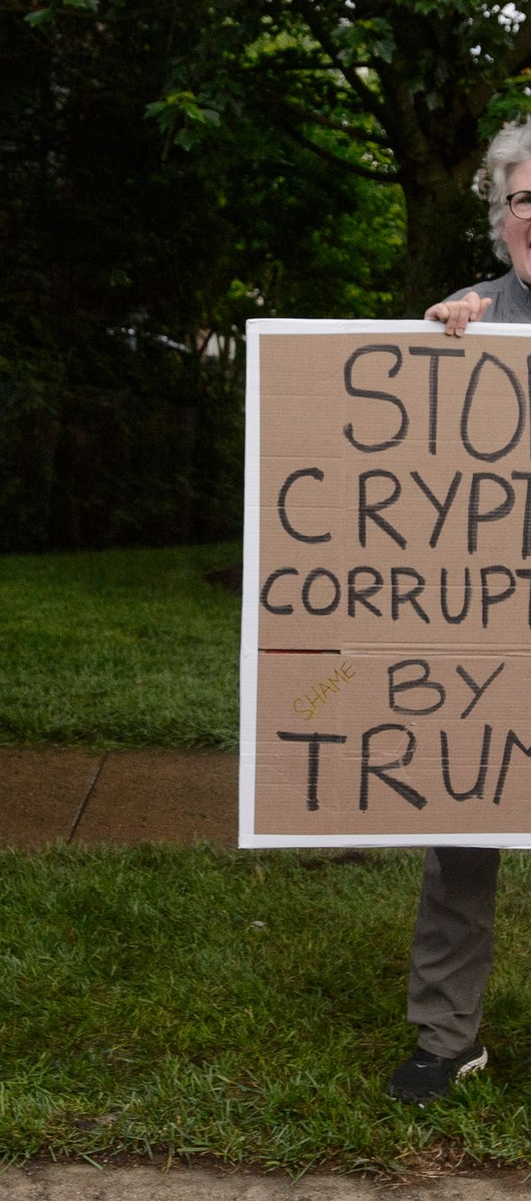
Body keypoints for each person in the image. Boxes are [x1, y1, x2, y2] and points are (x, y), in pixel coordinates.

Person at [385, 118, 531, 1103]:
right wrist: (438, 357)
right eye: (526, 199)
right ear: (504, 216)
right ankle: (448, 1035)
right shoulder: (477, 322)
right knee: (466, 817)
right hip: (490, 623)